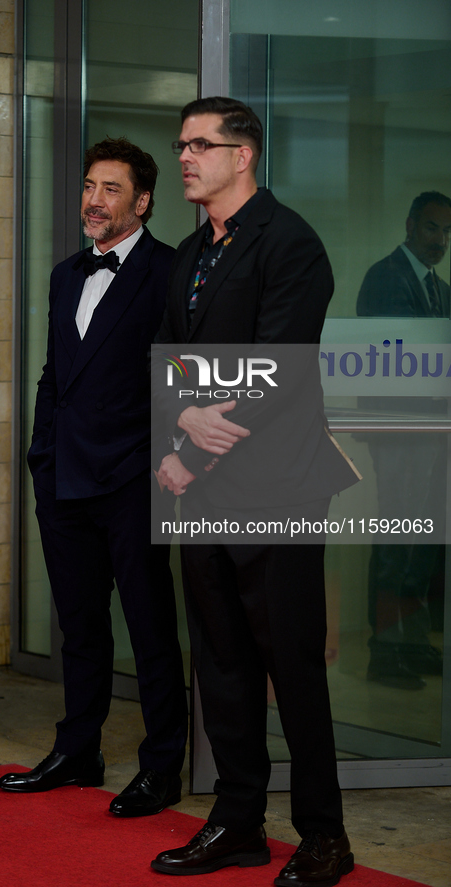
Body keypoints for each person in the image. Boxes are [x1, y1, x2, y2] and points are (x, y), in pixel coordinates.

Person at [150, 97, 359, 886]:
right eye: (179, 144)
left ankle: (324, 836)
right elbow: (165, 359)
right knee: (222, 661)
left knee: (290, 663)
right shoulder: (188, 252)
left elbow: (276, 369)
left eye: (201, 144)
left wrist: (188, 447)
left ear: (244, 155)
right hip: (200, 495)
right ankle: (237, 822)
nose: (184, 158)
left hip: (275, 490)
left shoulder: (290, 243)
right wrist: (182, 427)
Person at [0, 137, 188, 817]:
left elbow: (183, 381)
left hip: (136, 478)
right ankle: (78, 750)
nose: (93, 199)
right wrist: (40, 455)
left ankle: (162, 767)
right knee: (78, 625)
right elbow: (56, 374)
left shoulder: (170, 271)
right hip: (64, 477)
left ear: (142, 202)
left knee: (150, 627)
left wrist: (168, 461)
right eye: (88, 186)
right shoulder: (63, 275)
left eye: (111, 189)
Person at [357, 191, 450, 689]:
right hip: (400, 434)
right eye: (433, 228)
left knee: (422, 543)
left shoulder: (442, 290)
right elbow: (392, 362)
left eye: (448, 232)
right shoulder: (385, 278)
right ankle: (385, 652)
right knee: (397, 538)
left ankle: (412, 643)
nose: (441, 240)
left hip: (435, 437)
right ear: (411, 225)